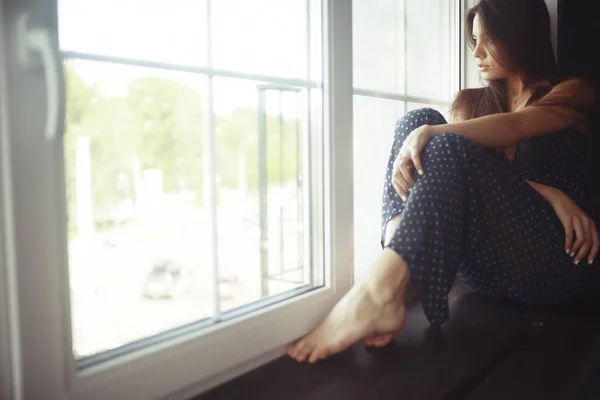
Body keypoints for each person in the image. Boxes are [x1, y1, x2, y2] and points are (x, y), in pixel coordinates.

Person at [287, 0, 600, 364]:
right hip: (487, 271)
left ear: (520, 35)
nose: (477, 53)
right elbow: (477, 179)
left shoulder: (572, 91)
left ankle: (381, 289)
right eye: (473, 41)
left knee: (434, 136)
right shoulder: (470, 104)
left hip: (561, 260)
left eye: (489, 39)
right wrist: (553, 195)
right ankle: (400, 266)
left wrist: (433, 132)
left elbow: (516, 126)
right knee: (417, 120)